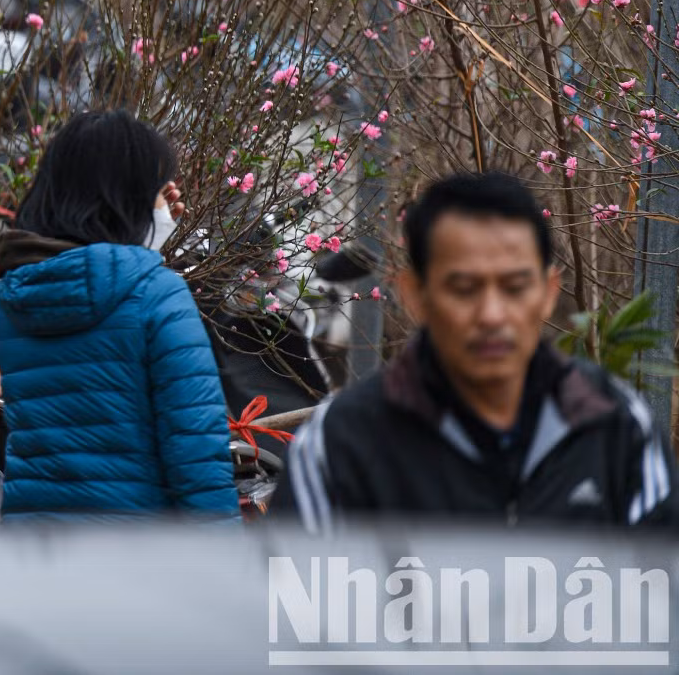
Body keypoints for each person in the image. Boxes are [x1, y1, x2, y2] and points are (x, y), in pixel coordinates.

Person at [277, 171, 673, 530]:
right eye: (464, 289)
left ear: (549, 292)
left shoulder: (615, 426)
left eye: (515, 287)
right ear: (414, 294)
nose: (492, 315)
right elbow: (287, 600)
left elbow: (662, 594)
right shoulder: (339, 444)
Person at [0, 110, 237, 521]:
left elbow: (93, 296)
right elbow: (197, 455)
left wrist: (147, 239)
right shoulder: (158, 294)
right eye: (156, 190)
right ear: (127, 198)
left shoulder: (8, 300)